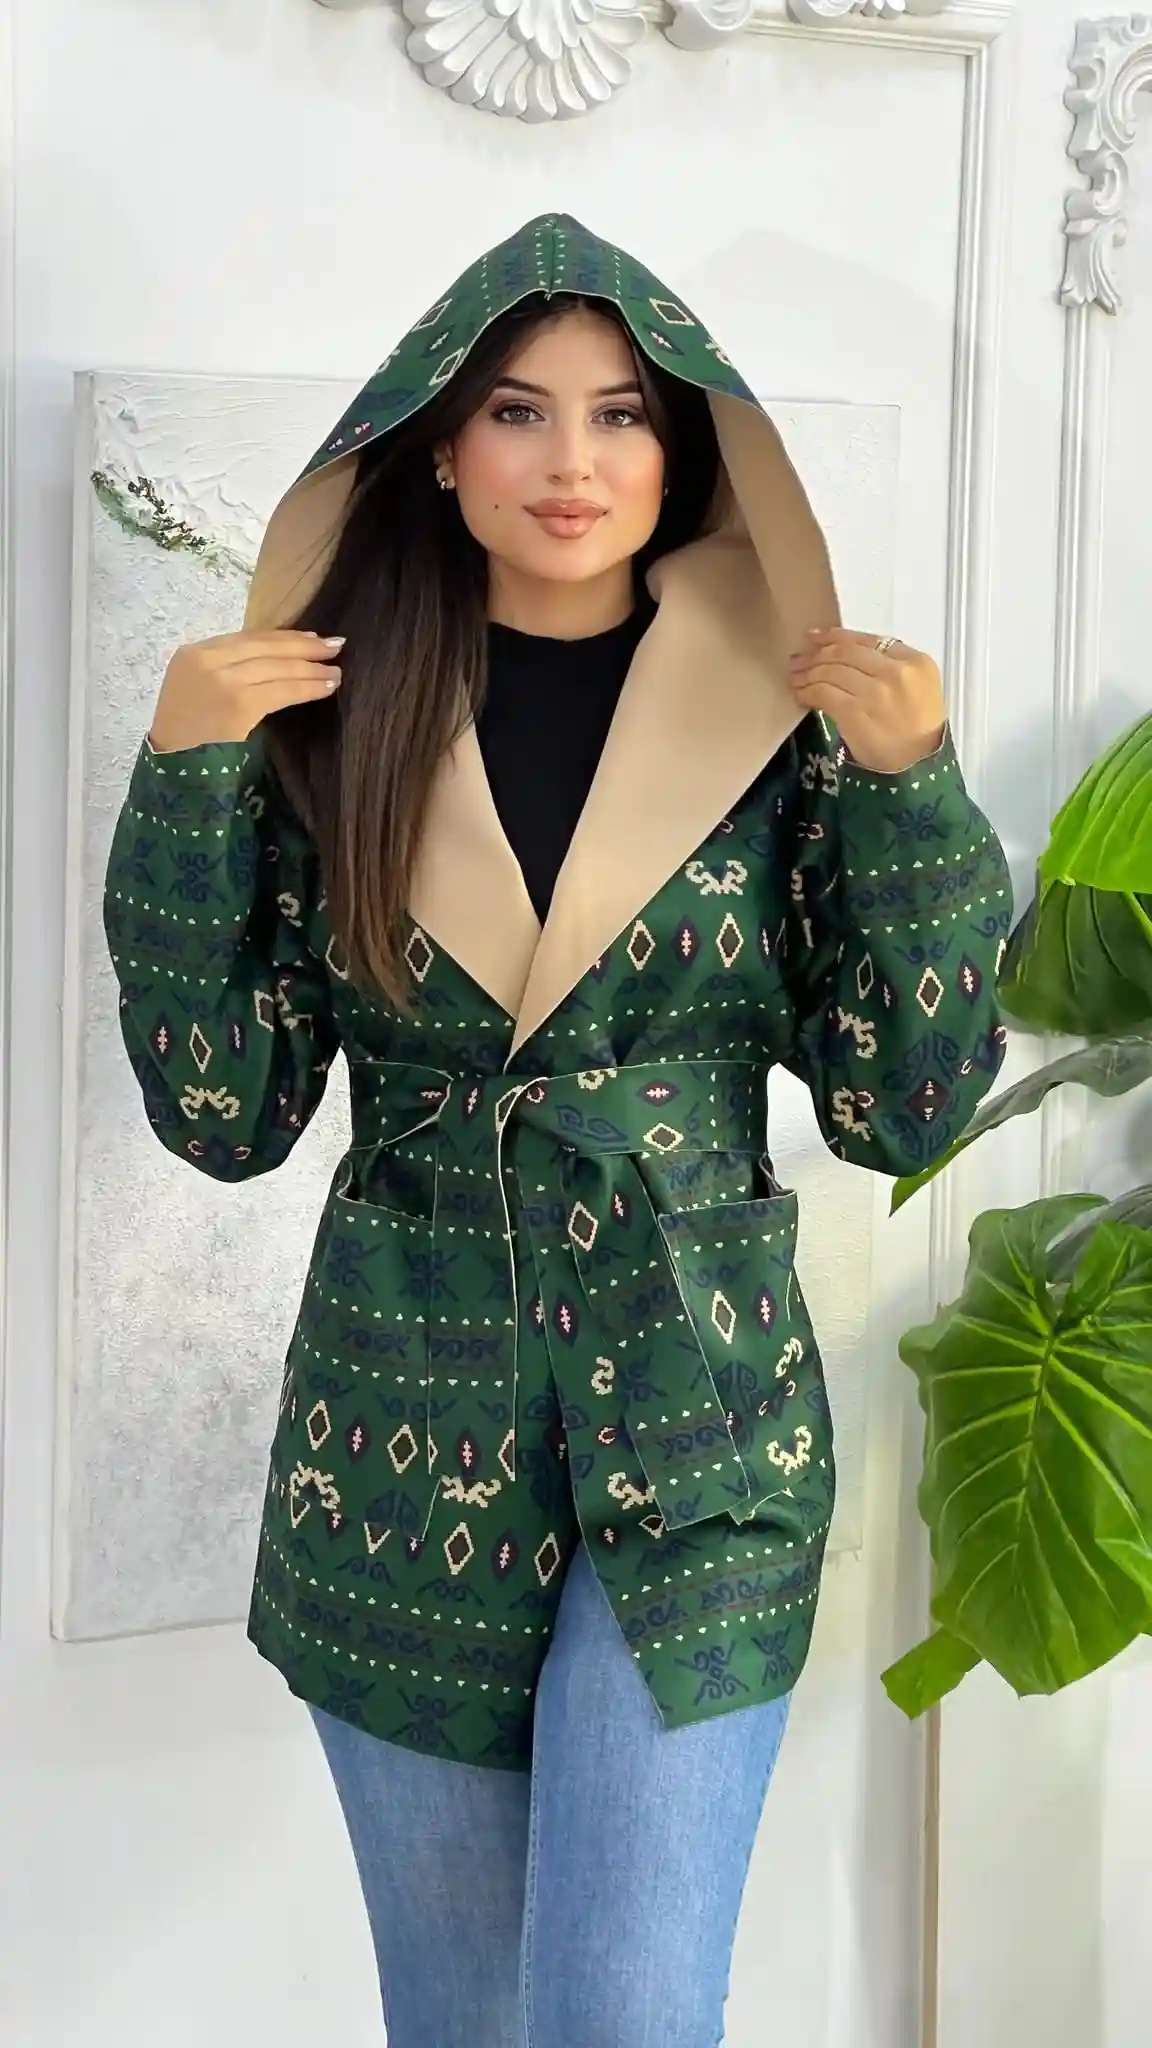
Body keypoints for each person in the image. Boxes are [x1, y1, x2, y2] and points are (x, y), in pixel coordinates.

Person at [104, 213, 1011, 2047]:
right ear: (441, 452)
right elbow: (226, 1117)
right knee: (463, 2022)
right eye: (518, 412)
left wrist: (914, 791)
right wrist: (185, 775)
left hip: (707, 1420)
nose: (572, 461)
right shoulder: (325, 726)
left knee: (624, 2014)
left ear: (683, 457)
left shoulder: (792, 732)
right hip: (399, 1437)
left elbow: (899, 1103)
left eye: (620, 417)